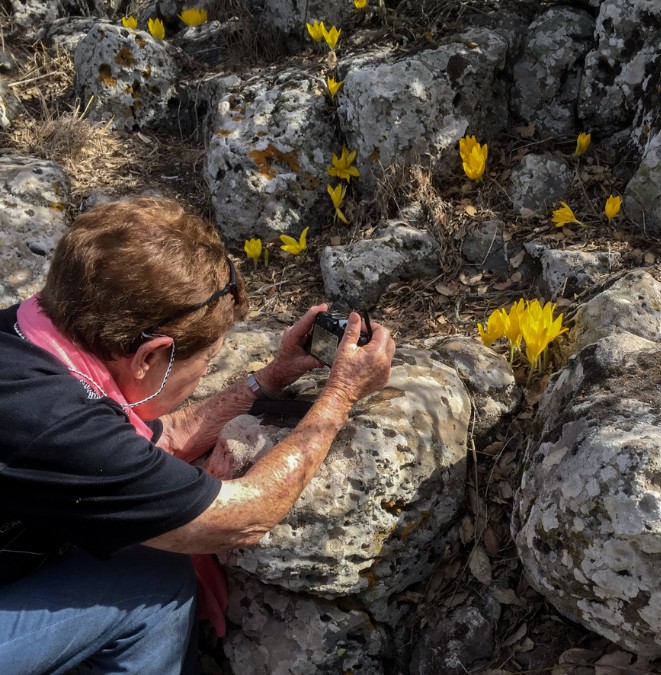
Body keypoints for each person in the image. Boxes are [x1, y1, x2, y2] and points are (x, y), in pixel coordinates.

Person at [0, 197, 396, 674]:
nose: (207, 368)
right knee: (153, 584)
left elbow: (155, 440)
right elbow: (246, 515)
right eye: (206, 361)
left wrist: (267, 380)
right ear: (150, 357)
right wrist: (342, 394)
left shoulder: (34, 341)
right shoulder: (54, 426)